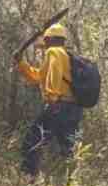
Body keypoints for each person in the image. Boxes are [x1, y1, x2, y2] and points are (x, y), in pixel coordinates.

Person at [16, 23, 81, 178]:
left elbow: (54, 76)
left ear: (49, 39)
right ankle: (72, 185)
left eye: (45, 40)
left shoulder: (53, 52)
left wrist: (52, 99)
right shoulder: (66, 54)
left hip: (58, 106)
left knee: (32, 142)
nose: (44, 43)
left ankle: (28, 179)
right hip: (74, 109)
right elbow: (38, 77)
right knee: (69, 150)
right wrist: (21, 63)